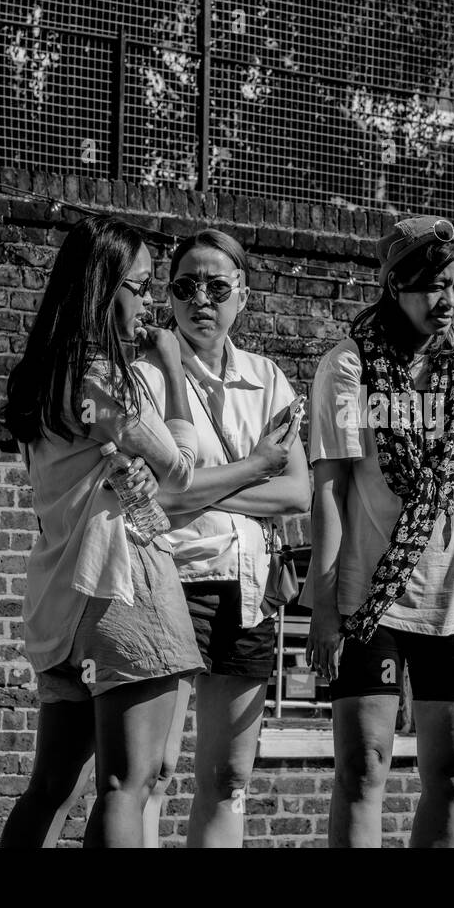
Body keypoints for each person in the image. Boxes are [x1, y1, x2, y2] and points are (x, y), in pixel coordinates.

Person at [304, 215, 454, 848]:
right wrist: (324, 607)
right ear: (395, 284)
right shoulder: (348, 369)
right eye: (432, 285)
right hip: (367, 602)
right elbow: (330, 491)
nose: (449, 300)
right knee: (362, 768)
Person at [0, 215, 204, 848]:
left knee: (53, 786)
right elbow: (182, 466)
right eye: (140, 287)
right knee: (128, 782)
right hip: (122, 586)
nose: (148, 304)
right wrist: (170, 369)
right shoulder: (106, 377)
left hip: (60, 598)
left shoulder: (44, 379)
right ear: (103, 287)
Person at [144, 230, 310, 847]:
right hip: (171, 582)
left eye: (218, 287)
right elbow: (156, 498)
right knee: (154, 771)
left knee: (229, 775)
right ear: (169, 295)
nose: (202, 300)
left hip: (248, 589)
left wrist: (198, 489)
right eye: (186, 286)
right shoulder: (149, 376)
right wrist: (249, 469)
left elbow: (297, 492)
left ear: (243, 295)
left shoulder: (268, 379)